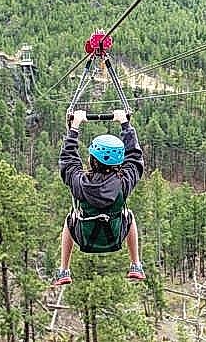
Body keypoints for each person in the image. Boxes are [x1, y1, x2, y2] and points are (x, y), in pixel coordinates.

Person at [52, 109, 145, 286]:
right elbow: (134, 158)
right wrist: (126, 125)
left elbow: (68, 160)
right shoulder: (124, 183)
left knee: (70, 219)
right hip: (115, 238)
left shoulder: (80, 183)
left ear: (92, 160)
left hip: (84, 238)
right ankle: (136, 264)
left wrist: (74, 128)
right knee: (129, 216)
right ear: (120, 161)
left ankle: (64, 269)